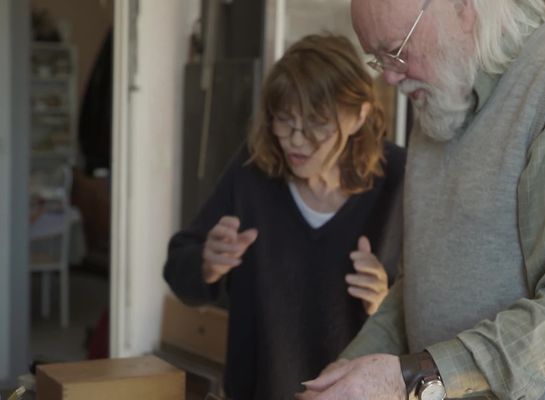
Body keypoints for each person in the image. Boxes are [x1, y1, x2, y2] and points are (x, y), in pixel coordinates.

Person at [297, 1, 545, 400]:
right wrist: (341, 377)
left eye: (397, 50)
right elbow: (421, 286)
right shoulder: (441, 92)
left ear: (462, 7)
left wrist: (417, 375)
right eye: (378, 58)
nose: (388, 76)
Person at [163, 33, 406, 400]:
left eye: (316, 125)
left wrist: (386, 304)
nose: (295, 140)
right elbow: (178, 270)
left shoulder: (400, 179)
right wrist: (206, 263)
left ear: (359, 116)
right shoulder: (252, 172)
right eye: (284, 120)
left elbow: (437, 317)